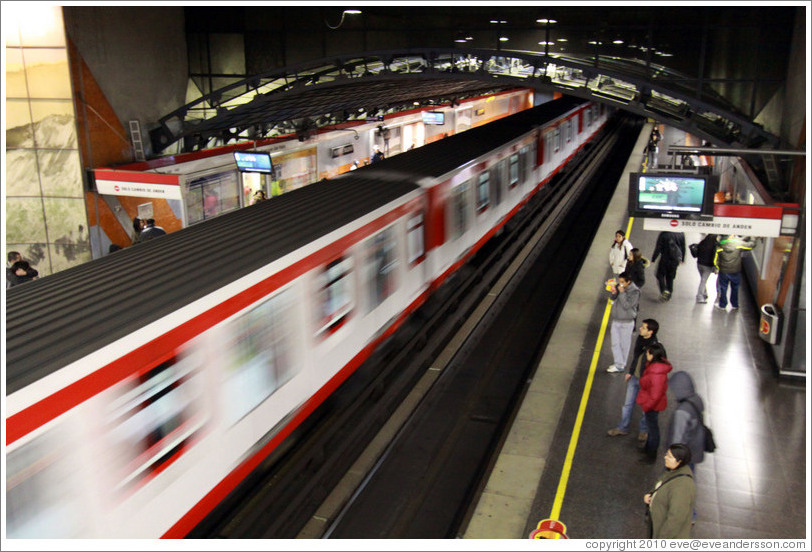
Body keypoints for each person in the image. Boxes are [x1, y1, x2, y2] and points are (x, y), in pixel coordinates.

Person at [607, 319, 664, 444]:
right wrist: (631, 372)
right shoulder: (640, 338)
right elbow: (636, 356)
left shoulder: (655, 348)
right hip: (635, 378)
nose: (640, 329)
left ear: (650, 331)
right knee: (627, 404)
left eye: (643, 328)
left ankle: (643, 431)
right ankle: (623, 428)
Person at [643, 443, 696, 538]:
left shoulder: (682, 487)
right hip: (657, 526)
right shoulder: (672, 471)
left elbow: (676, 518)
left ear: (679, 461)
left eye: (670, 457)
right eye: (667, 454)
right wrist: (651, 495)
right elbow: (661, 485)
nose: (665, 457)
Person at [636, 342, 673, 463]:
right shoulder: (656, 368)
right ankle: (648, 448)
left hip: (652, 405)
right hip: (652, 404)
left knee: (653, 430)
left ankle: (651, 455)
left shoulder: (656, 373)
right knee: (651, 427)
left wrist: (646, 406)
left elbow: (655, 395)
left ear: (652, 355)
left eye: (647, 352)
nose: (646, 354)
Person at [667, 371, 706, 469]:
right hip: (695, 448)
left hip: (684, 454)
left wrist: (672, 458)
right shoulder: (697, 398)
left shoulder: (682, 412)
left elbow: (677, 438)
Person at [607, 272, 640, 374]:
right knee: (615, 343)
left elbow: (627, 305)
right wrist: (613, 293)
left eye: (622, 282)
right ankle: (618, 363)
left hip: (627, 322)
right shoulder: (620, 287)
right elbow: (613, 299)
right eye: (619, 281)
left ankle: (621, 365)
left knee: (624, 344)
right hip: (616, 319)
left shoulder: (635, 292)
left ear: (628, 282)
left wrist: (621, 293)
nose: (620, 284)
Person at [714, 234, 755, 311]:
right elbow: (751, 245)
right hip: (735, 271)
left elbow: (716, 259)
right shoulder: (738, 244)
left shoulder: (720, 246)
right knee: (735, 288)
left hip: (724, 271)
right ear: (731, 237)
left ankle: (722, 305)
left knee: (723, 288)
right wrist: (752, 237)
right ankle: (734, 304)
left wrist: (717, 268)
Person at [651, 231, 685, 302]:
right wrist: (682, 258)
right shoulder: (681, 233)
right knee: (670, 277)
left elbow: (658, 247)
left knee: (660, 275)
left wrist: (654, 258)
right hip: (675, 259)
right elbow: (683, 246)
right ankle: (669, 294)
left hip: (665, 258)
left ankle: (664, 291)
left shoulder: (664, 234)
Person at [693, 234, 718, 304]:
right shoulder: (714, 246)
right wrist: (715, 267)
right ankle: (699, 297)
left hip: (699, 264)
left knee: (703, 280)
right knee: (703, 281)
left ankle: (705, 293)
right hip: (707, 266)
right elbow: (714, 257)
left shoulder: (702, 243)